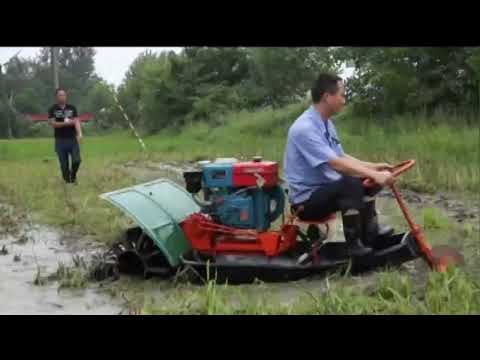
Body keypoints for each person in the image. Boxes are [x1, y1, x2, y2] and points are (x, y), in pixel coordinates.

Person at [283, 73, 395, 257]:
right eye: (342, 95)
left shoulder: (325, 124)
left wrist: (373, 168)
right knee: (350, 182)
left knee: (364, 179)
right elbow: (336, 163)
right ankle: (353, 246)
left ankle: (370, 235)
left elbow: (340, 156)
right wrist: (373, 173)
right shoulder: (305, 128)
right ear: (327, 96)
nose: (344, 100)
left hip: (323, 190)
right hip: (305, 202)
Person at [48, 88, 83, 184]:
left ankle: (73, 176)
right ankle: (69, 182)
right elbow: (53, 123)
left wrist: (79, 133)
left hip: (72, 139)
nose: (62, 97)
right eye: (60, 95)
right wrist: (67, 123)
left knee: (77, 160)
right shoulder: (52, 109)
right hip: (60, 141)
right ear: (56, 97)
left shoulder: (72, 108)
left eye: (64, 95)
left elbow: (77, 122)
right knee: (64, 166)